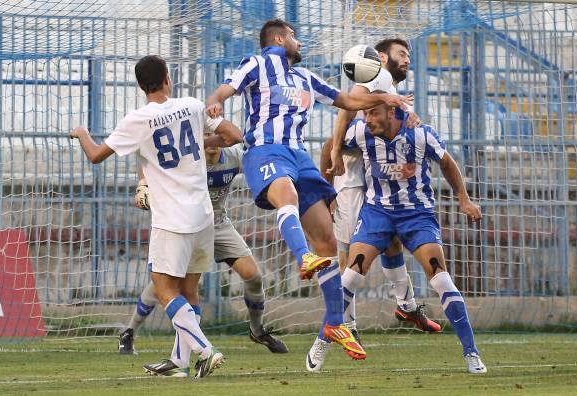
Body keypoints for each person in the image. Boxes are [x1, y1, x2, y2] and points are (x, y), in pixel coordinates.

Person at [205, 19, 412, 362]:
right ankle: (303, 258)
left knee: (327, 240)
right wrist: (214, 101)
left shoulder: (305, 79)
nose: (300, 44)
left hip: (299, 156)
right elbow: (228, 87)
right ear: (280, 38)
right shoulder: (259, 63)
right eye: (295, 38)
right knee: (286, 195)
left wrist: (384, 96)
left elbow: (345, 99)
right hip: (266, 149)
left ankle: (335, 322)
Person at [70, 55, 241, 378]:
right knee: (189, 292)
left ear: (139, 86)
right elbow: (233, 135)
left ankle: (205, 350)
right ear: (167, 78)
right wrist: (199, 140)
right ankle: (179, 360)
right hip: (205, 215)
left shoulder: (137, 120)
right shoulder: (191, 106)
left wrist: (81, 133)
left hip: (172, 220)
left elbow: (95, 156)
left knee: (163, 289)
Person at [309, 38, 442, 372]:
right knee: (351, 260)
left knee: (392, 239)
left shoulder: (389, 94)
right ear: (381, 58)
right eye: (401, 54)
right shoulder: (374, 79)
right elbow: (337, 127)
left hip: (375, 188)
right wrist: (331, 178)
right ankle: (346, 325)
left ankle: (405, 305)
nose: (407, 59)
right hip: (352, 186)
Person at [332, 97, 487, 374]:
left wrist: (463, 199)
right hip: (376, 213)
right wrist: (326, 184)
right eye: (365, 113)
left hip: (417, 215)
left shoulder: (421, 133)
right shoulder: (361, 131)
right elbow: (331, 143)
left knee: (440, 277)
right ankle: (325, 341)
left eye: (372, 113)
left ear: (391, 111)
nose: (367, 119)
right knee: (351, 275)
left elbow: (448, 163)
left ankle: (471, 352)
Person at [119, 133, 288, 356]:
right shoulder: (186, 158)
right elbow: (150, 159)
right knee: (166, 282)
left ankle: (257, 331)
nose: (212, 140)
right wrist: (143, 185)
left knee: (253, 276)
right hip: (188, 225)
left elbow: (259, 164)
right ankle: (130, 331)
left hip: (218, 225)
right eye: (206, 134)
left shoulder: (233, 157)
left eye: (216, 134)